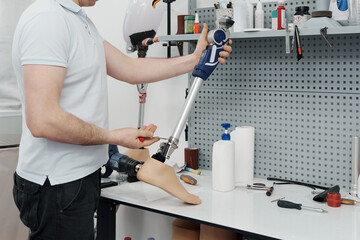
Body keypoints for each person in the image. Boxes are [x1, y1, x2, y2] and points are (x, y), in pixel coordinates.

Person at [11, 0, 232, 239]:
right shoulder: (47, 19)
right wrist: (114, 137)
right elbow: (43, 120)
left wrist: (194, 60)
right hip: (56, 184)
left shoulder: (78, 19)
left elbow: (128, 68)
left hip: (78, 179)